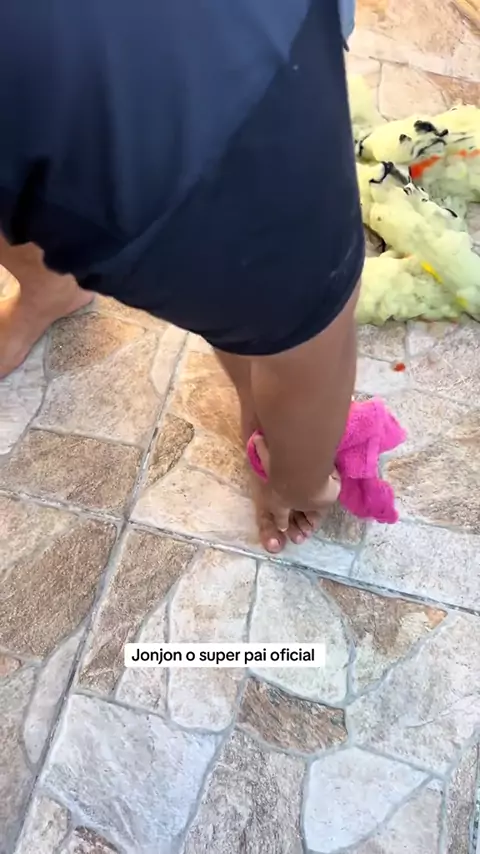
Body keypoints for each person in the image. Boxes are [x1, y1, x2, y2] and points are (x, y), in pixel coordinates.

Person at [0, 0, 363, 554]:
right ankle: (48, 284)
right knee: (284, 309)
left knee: (293, 318)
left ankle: (286, 460)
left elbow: (314, 330)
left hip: (180, 55)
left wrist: (301, 478)